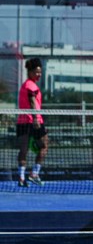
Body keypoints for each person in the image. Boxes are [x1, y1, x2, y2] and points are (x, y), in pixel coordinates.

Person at [16, 58, 49, 187]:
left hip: (22, 121)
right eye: (36, 72)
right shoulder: (31, 85)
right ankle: (34, 173)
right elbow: (32, 101)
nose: (39, 74)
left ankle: (21, 178)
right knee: (44, 146)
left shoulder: (26, 85)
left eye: (40, 72)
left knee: (23, 150)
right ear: (30, 72)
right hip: (33, 121)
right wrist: (35, 118)